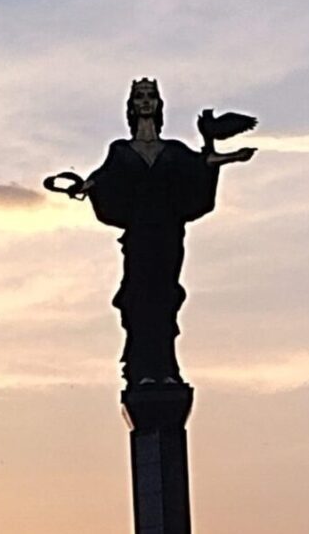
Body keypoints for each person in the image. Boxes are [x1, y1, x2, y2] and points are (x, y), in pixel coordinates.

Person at [73, 79, 255, 386]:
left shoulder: (173, 150)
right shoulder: (120, 150)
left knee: (165, 299)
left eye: (151, 96)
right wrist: (86, 186)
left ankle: (167, 370)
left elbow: (201, 165)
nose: (145, 101)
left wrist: (232, 157)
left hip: (167, 237)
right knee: (140, 298)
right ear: (131, 106)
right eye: (140, 97)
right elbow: (103, 178)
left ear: (159, 105)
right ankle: (142, 370)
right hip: (139, 238)